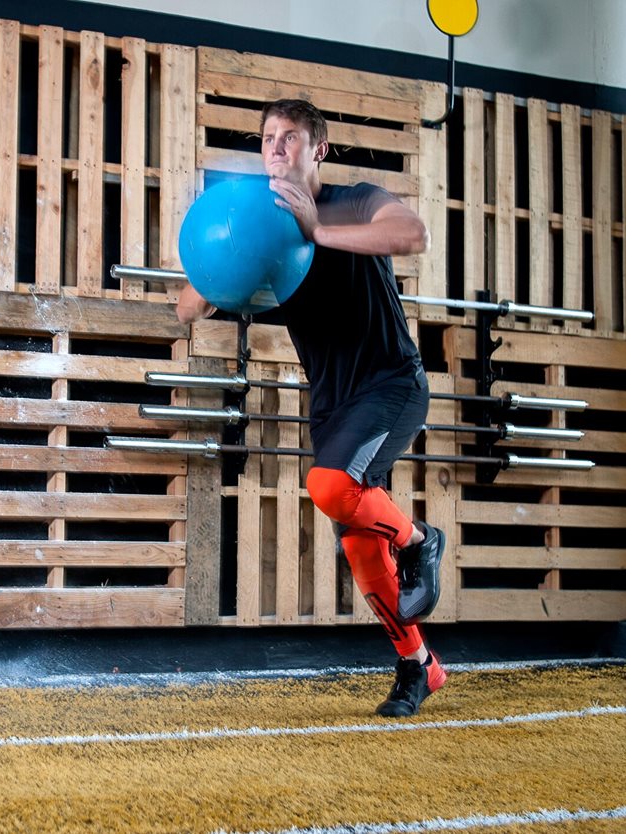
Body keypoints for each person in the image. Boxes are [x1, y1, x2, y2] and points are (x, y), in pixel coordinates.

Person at [177, 99, 447, 717]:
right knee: (357, 544)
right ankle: (418, 666)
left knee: (328, 484)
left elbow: (414, 234)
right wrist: (218, 267)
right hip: (332, 404)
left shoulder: (352, 200)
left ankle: (420, 541)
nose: (276, 147)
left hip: (392, 384)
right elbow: (187, 306)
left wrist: (317, 231)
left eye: (291, 137)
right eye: (269, 137)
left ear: (317, 149)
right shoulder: (261, 226)